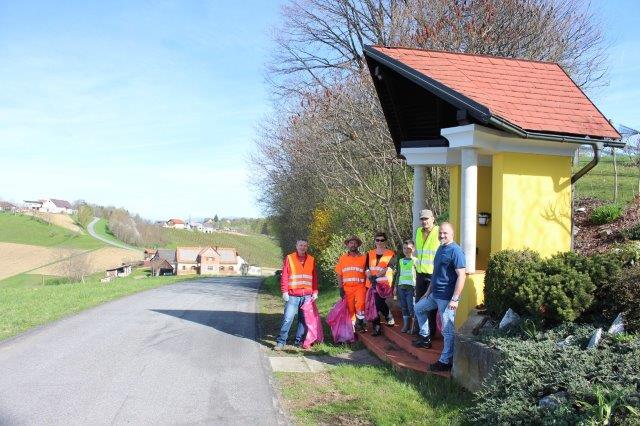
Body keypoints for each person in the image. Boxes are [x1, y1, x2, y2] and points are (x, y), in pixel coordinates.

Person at [412, 222, 466, 372]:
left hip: (447, 297)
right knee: (419, 308)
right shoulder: (440, 248)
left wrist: (455, 299)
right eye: (440, 233)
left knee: (447, 330)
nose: (442, 235)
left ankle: (445, 361)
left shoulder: (456, 251)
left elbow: (461, 276)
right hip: (434, 294)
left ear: (452, 234)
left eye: (445, 233)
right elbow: (436, 273)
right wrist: (428, 292)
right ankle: (425, 337)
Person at [274, 239, 318, 351]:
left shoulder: (311, 259)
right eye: (300, 245)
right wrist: (284, 291)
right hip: (292, 295)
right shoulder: (290, 258)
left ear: (307, 247)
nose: (302, 247)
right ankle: (280, 342)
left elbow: (314, 277)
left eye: (305, 245)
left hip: (307, 295)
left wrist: (315, 291)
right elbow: (285, 275)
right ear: (296, 246)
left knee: (303, 320)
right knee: (288, 318)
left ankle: (299, 341)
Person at [414, 209, 440, 335]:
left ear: (432, 218)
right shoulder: (418, 231)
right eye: (422, 219)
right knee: (419, 302)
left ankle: (431, 332)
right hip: (420, 273)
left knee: (430, 305)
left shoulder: (439, 231)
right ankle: (421, 331)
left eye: (426, 219)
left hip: (432, 274)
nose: (424, 221)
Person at [365, 231, 397, 336]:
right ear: (375, 241)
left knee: (378, 303)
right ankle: (376, 328)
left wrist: (377, 276)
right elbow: (366, 267)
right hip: (371, 283)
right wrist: (370, 276)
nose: (379, 242)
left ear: (385, 241)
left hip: (383, 284)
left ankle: (388, 316)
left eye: (382, 240)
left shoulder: (390, 253)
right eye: (377, 240)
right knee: (373, 304)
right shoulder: (369, 253)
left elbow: (390, 267)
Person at [335, 235, 368, 332]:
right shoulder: (342, 258)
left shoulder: (364, 258)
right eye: (351, 243)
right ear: (348, 245)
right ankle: (351, 328)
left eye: (355, 243)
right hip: (347, 288)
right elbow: (339, 274)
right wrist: (340, 288)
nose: (353, 245)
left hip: (360, 287)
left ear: (358, 245)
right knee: (350, 308)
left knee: (361, 305)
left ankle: (360, 324)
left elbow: (368, 272)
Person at [396, 240, 417, 333]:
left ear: (413, 249)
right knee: (403, 306)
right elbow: (398, 274)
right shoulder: (400, 260)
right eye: (404, 248)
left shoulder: (415, 261)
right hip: (401, 287)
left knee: (411, 307)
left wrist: (417, 288)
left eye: (408, 248)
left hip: (411, 288)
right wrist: (395, 287)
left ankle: (414, 327)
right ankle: (406, 326)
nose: (406, 250)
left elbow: (418, 275)